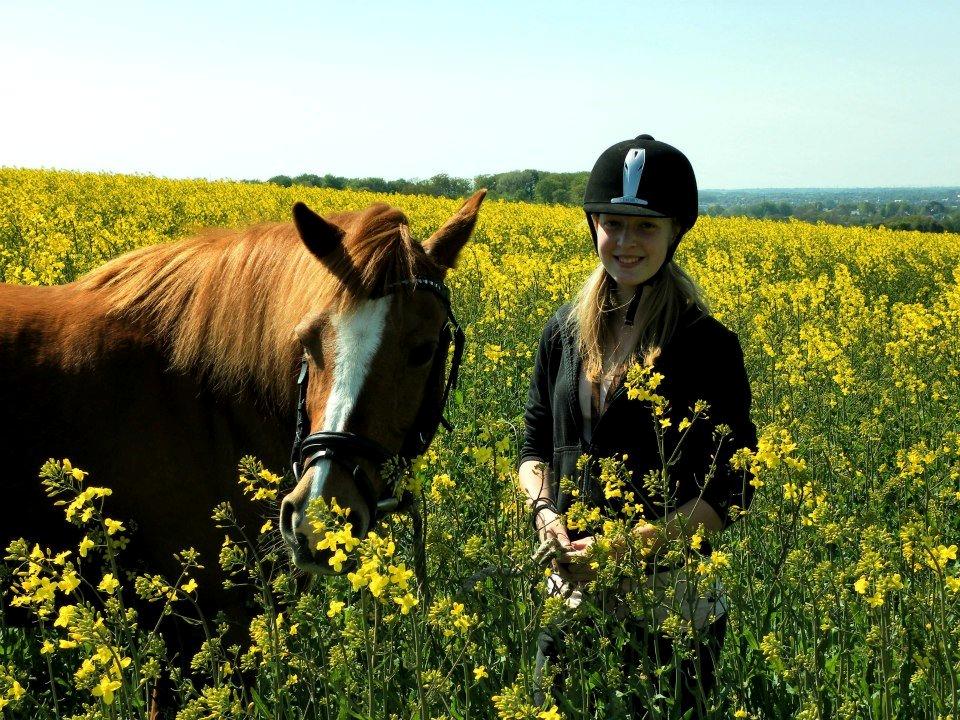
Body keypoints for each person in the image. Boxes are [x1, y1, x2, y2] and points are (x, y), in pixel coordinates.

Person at [518, 134, 757, 717]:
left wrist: (625, 548)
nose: (625, 243)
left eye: (646, 227)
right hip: (570, 593)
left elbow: (731, 488)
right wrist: (545, 514)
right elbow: (533, 448)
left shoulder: (708, 347)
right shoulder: (562, 333)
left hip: (670, 607)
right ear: (593, 225)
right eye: (613, 223)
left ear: (676, 233)